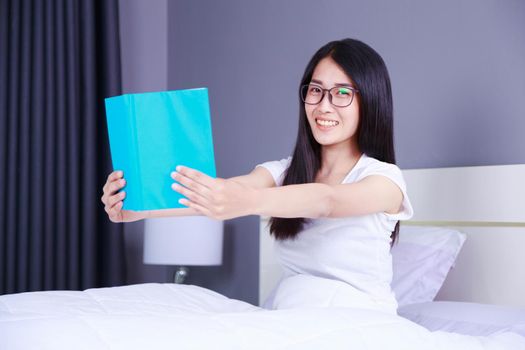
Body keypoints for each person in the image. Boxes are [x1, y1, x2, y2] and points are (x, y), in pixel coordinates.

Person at [100, 38, 413, 314]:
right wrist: (139, 209)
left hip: (360, 323)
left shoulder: (386, 181)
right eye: (316, 90)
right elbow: (220, 192)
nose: (323, 106)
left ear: (369, 101)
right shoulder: (284, 171)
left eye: (342, 93)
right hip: (289, 316)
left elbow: (327, 201)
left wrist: (246, 202)